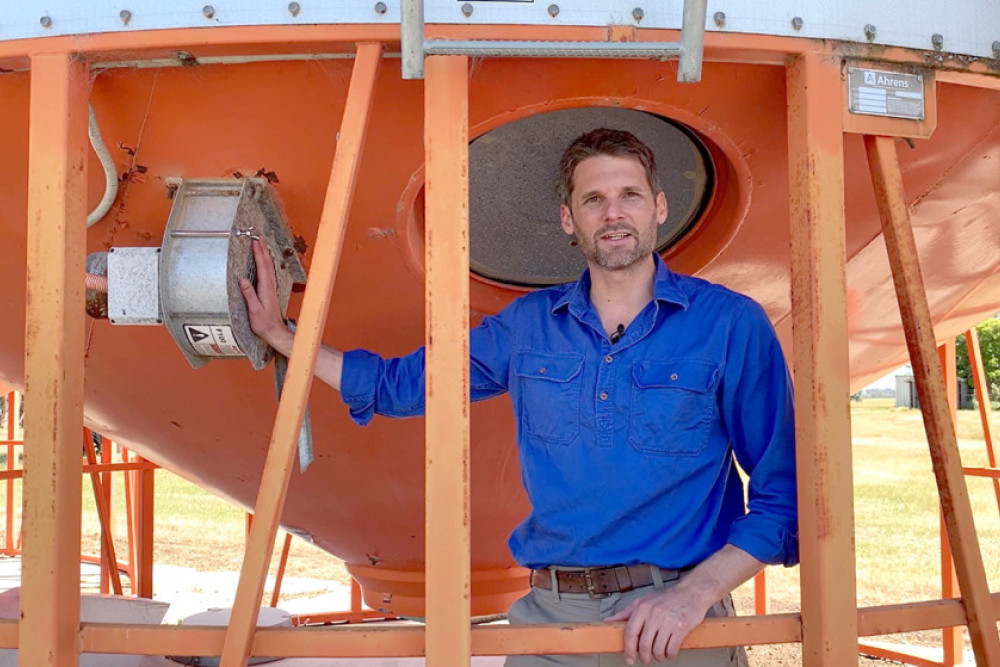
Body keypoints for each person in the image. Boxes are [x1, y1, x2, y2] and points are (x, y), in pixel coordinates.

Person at [241, 128, 797, 666]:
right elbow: (399, 387)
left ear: (657, 207)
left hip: (676, 624)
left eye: (628, 195)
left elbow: (782, 495)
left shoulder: (729, 323)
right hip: (551, 619)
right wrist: (282, 336)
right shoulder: (529, 326)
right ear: (568, 220)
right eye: (593, 199)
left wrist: (694, 596)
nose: (613, 213)